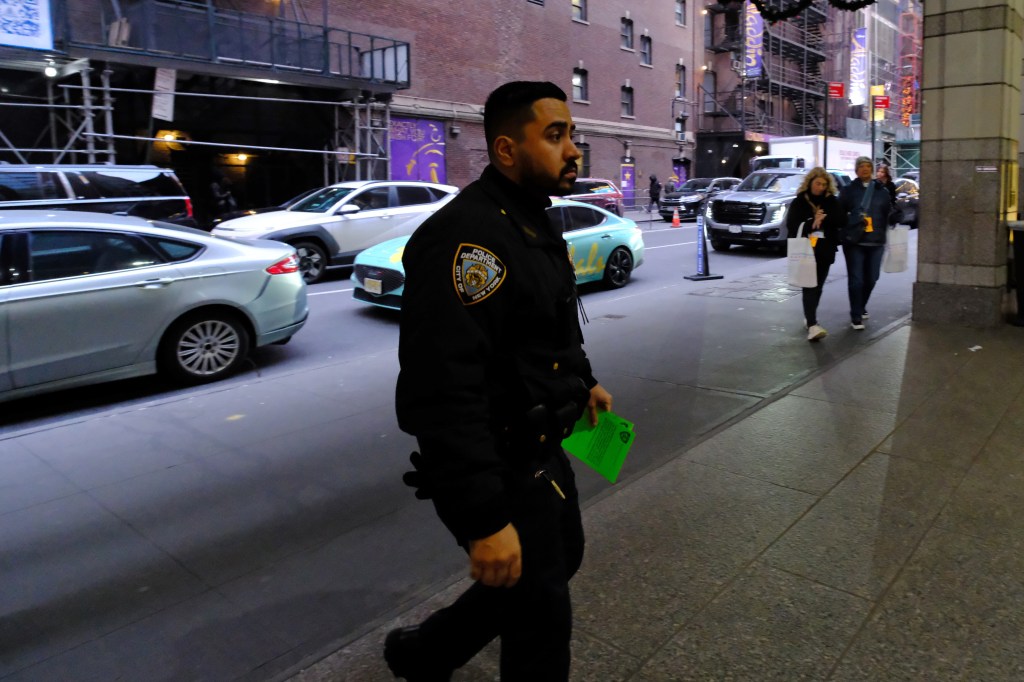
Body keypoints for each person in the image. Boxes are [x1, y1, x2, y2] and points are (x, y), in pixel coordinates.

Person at [387, 81, 613, 681]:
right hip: (504, 462)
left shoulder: (530, 221)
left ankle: (426, 652)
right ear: (507, 151)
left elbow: (546, 331)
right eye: (556, 135)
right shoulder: (467, 241)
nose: (574, 152)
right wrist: (484, 521)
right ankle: (427, 651)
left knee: (562, 557)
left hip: (544, 446)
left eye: (573, 135)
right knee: (541, 624)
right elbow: (443, 391)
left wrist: (582, 383)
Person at [785, 167, 845, 342]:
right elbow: (792, 225)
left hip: (825, 250)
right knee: (809, 286)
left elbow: (842, 220)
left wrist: (824, 218)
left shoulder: (831, 201)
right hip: (805, 250)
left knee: (817, 287)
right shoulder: (800, 201)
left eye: (824, 184)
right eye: (818, 183)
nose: (821, 187)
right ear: (810, 182)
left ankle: (809, 317)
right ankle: (812, 324)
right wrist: (812, 221)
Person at [839, 156, 893, 330]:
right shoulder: (848, 190)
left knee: (871, 278)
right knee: (856, 280)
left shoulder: (881, 191)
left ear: (871, 169)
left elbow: (889, 213)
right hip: (855, 242)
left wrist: (896, 215)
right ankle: (856, 315)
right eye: (861, 166)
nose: (864, 169)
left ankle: (861, 305)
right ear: (856, 170)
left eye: (868, 166)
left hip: (876, 241)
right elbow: (839, 215)